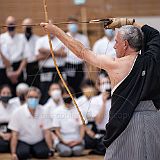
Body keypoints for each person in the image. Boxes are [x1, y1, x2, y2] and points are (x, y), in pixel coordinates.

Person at [41, 18, 160, 160]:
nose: (114, 46)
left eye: (116, 42)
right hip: (154, 120)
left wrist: (55, 31)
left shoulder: (116, 64)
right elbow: (155, 35)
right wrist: (127, 22)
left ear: (126, 44)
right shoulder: (153, 58)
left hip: (127, 122)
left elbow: (81, 52)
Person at [8, 87, 54, 160]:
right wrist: (13, 153)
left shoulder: (44, 111)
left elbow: (47, 132)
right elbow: (14, 134)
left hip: (38, 141)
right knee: (22, 154)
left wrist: (51, 149)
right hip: (23, 141)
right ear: (26, 98)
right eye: (30, 97)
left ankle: (34, 151)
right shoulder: (17, 112)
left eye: (36, 97)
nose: (33, 99)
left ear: (39, 98)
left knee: (44, 153)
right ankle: (30, 151)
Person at [35, 26, 67, 104]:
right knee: (45, 90)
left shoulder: (61, 40)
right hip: (45, 69)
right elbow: (38, 57)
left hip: (59, 69)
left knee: (60, 89)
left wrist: (46, 51)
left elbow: (64, 54)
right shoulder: (40, 40)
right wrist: (56, 52)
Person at [0, 16, 27, 96]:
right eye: (9, 24)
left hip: (18, 68)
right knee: (5, 91)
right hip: (4, 68)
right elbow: (3, 57)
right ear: (6, 25)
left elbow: (25, 57)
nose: (11, 26)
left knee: (19, 93)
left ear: (16, 25)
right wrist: (10, 72)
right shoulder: (1, 38)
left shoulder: (22, 37)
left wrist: (17, 73)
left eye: (12, 24)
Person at [65, 16, 90, 98]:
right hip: (68, 65)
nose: (73, 26)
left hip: (79, 65)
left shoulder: (83, 38)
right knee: (69, 88)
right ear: (67, 25)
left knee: (79, 88)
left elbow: (87, 56)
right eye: (71, 24)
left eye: (74, 24)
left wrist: (87, 73)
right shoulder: (64, 37)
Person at [22, 18, 40, 87]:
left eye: (29, 26)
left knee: (35, 85)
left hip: (34, 66)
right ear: (23, 27)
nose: (28, 28)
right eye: (26, 26)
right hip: (21, 66)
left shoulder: (38, 39)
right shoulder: (20, 38)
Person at [0, 85, 18, 153]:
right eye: (4, 93)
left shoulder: (15, 107)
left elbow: (18, 124)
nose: (6, 95)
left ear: (11, 95)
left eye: (8, 93)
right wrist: (2, 135)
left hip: (13, 134)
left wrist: (11, 134)